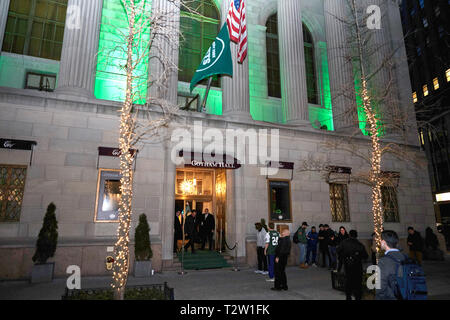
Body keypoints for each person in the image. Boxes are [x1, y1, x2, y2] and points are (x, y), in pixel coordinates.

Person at [337, 230, 368, 300]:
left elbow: (338, 250)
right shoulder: (359, 244)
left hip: (348, 265)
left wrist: (344, 256)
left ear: (349, 235)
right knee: (357, 282)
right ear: (356, 235)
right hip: (357, 266)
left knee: (348, 280)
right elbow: (365, 256)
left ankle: (348, 296)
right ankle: (357, 296)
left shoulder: (344, 243)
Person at [376, 230, 406, 300]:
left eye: (380, 240)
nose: (380, 242)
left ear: (383, 242)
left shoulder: (384, 261)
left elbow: (381, 286)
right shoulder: (405, 257)